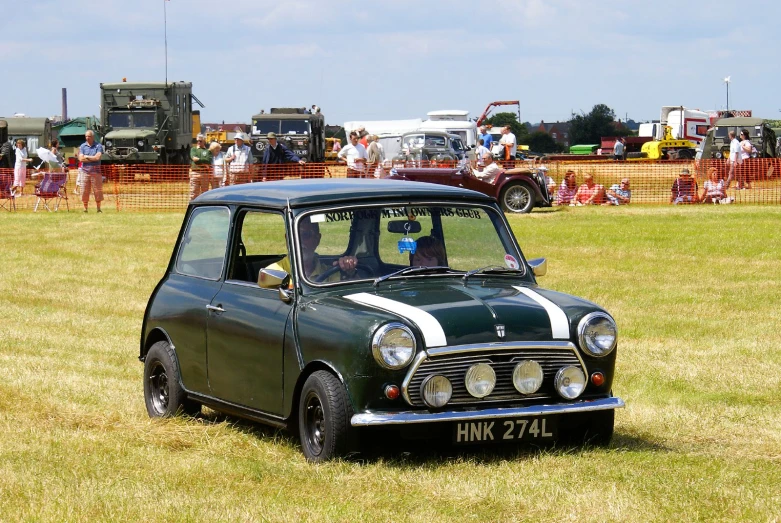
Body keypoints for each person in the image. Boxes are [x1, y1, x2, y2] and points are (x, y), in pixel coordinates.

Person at [268, 217, 359, 282]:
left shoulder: (330, 273)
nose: (300, 241)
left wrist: (349, 270)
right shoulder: (272, 273)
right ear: (287, 239)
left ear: (317, 239)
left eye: (306, 235)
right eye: (294, 236)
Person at [78, 131, 104, 212]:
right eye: (86, 136)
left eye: (89, 136)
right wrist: (91, 158)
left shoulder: (98, 146)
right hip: (84, 172)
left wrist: (87, 157)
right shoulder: (82, 146)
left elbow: (97, 158)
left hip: (96, 172)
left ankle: (98, 209)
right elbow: (81, 159)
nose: (87, 138)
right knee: (84, 191)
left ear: (93, 137)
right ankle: (85, 208)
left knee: (97, 190)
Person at [189, 134, 212, 200]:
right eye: (197, 141)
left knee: (205, 193)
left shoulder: (208, 151)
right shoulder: (193, 149)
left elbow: (208, 161)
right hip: (195, 173)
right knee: (193, 193)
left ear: (204, 141)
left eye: (200, 141)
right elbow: (194, 159)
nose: (198, 142)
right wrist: (204, 164)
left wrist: (199, 160)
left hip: (205, 174)